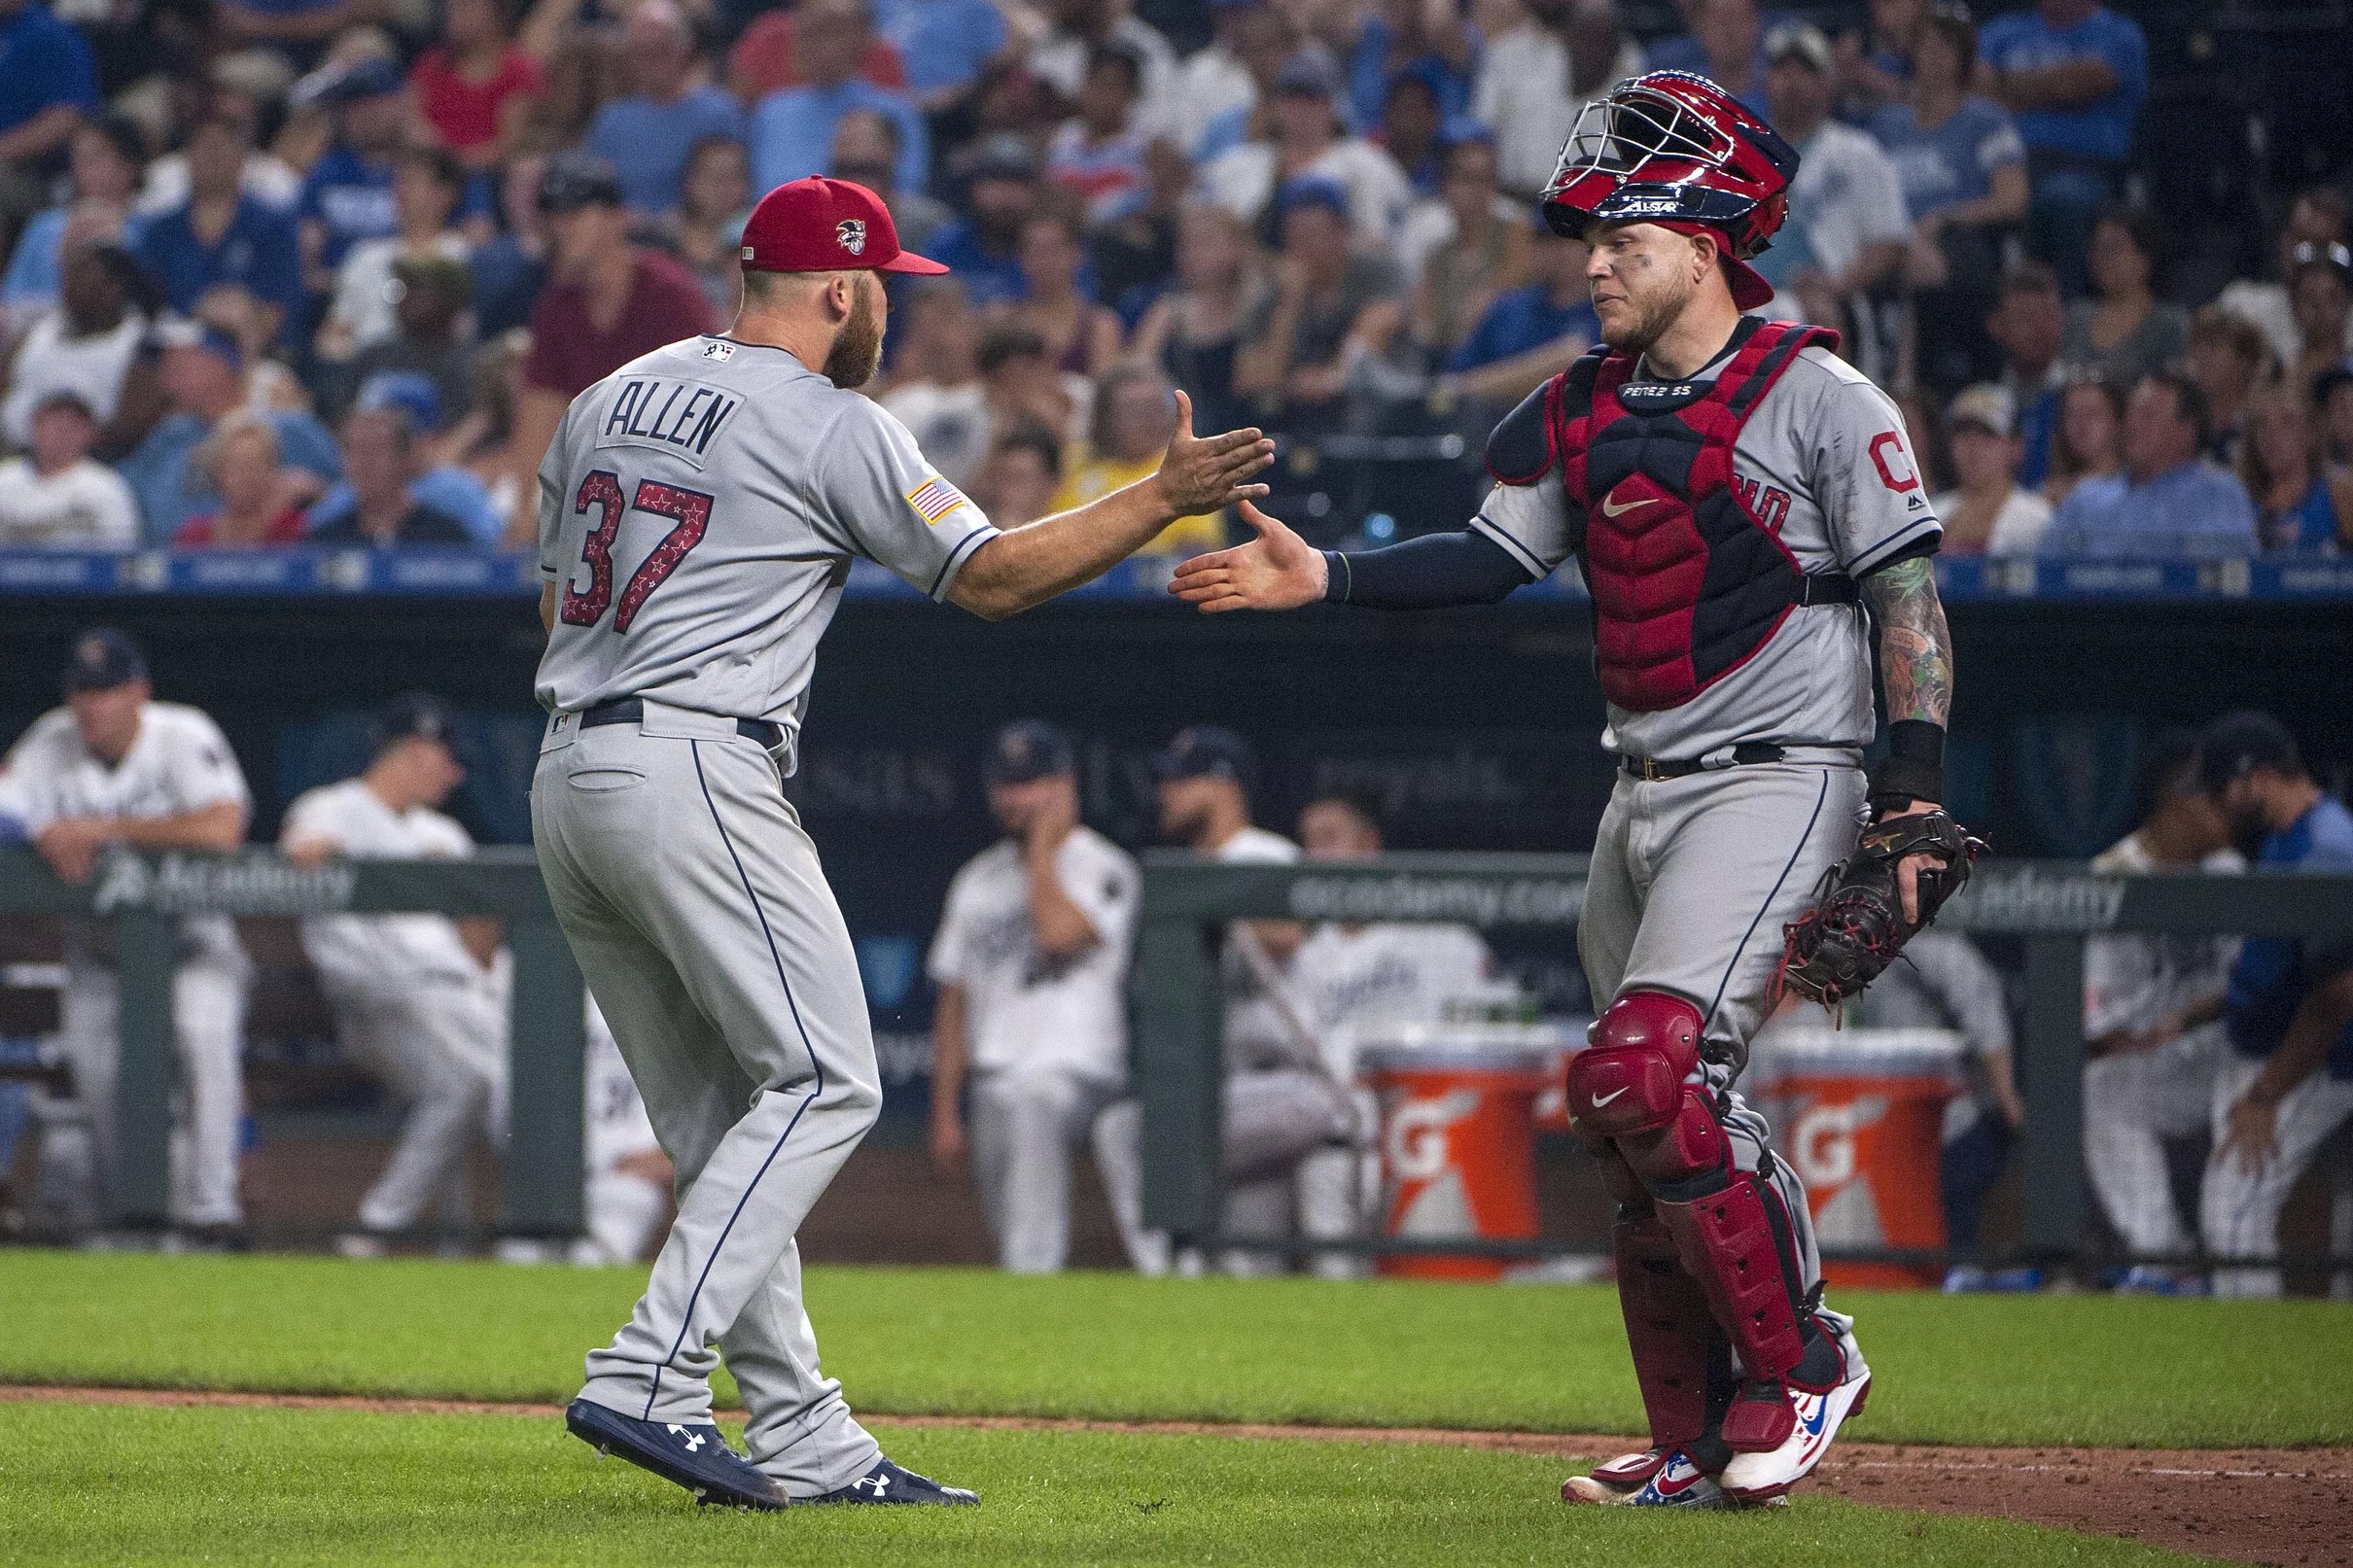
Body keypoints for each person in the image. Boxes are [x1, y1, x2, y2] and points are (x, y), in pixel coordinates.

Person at [1174, 72, 1959, 1508]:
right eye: (1589, 240)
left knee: (1646, 1073)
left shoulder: (1824, 396)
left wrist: (1907, 804)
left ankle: (1804, 1365)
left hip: (1783, 775)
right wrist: (1331, 576)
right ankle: (1686, 1438)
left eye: (1624, 240)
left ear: (1709, 242)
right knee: (1622, 1124)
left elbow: (1910, 597)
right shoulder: (1581, 405)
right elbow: (1490, 551)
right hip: (1640, 786)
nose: (1593, 264)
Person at [531, 174, 1271, 1507]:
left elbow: (549, 598)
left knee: (720, 1119)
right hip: (697, 761)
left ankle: (803, 1430)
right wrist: (1156, 501)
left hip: (571, 768)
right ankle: (650, 1370)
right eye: (884, 287)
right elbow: (988, 578)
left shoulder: (611, 393)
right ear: (837, 289)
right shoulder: (830, 419)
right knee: (827, 1080)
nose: (891, 309)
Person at [5, 629, 250, 1244]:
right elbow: (7, 804)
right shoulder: (51, 738)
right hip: (100, 955)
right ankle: (153, 1218)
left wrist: (99, 830)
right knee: (100, 1083)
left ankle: (212, 1215)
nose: (92, 707)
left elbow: (224, 827)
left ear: (138, 691)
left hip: (193, 944)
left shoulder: (182, 732)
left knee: (203, 1041)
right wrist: (41, 833)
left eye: (108, 692)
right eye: (82, 693)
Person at [1093, 727, 1352, 1277]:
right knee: (1247, 1270)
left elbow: (1287, 931)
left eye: (1179, 780)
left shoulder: (1264, 852)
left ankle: (1165, 1275)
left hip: (1297, 1082)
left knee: (1124, 1132)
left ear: (1223, 786)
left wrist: (1215, 902)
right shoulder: (1185, 870)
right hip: (1233, 1092)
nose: (1165, 792)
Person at [281, 693, 507, 1255]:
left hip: (457, 999)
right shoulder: (331, 808)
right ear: (414, 750)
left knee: (476, 1087)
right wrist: (320, 856)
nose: (454, 774)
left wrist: (460, 901)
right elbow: (301, 854)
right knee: (491, 1083)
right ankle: (545, 1229)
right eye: (446, 758)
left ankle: (417, 1234)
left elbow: (480, 948)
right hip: (377, 1000)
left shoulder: (445, 834)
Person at [927, 720, 1139, 1274]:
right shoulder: (977, 879)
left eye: (1031, 783)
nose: (1015, 798)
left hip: (1078, 1074)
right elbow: (954, 1003)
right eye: (1006, 784)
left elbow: (1055, 934)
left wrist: (1044, 847)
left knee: (1036, 1108)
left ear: (1065, 784)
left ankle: (1035, 1280)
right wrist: (945, 1111)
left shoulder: (1106, 866)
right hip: (997, 1076)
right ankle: (1032, 1302)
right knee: (1010, 1228)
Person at [1286, 787, 1509, 1278]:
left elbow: (1501, 1024)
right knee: (1334, 1294)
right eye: (1308, 842)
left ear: (1369, 844)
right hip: (1331, 1149)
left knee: (1432, 1289)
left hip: (1427, 1148)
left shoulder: (1436, 935)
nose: (1315, 854)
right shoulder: (1300, 954)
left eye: (1330, 838)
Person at [2196, 712, 2353, 1299]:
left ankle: (2248, 1370)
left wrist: (2267, 1094)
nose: (2217, 805)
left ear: (2256, 777)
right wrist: (2187, 1018)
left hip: (2317, 1063)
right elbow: (2279, 974)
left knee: (2233, 1211)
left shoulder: (2327, 848)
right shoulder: (2293, 837)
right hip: (2286, 1052)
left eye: (2222, 790)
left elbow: (2338, 996)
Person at [2080, 730, 2241, 1293]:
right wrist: (2141, 1038)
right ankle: (2160, 1256)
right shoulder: (2112, 876)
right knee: (2103, 1088)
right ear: (2180, 805)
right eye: (2216, 803)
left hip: (2228, 1045)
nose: (2230, 814)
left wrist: (2192, 1019)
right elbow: (2093, 1026)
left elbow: (2257, 980)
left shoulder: (2227, 872)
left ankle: (2170, 1259)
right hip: (2154, 1058)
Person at [507, 156, 714, 545]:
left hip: (674, 479)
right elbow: (539, 410)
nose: (560, 231)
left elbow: (705, 411)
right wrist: (524, 509)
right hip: (594, 483)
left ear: (616, 219)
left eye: (575, 217)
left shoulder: (669, 293)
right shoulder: (557, 307)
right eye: (554, 219)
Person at [1832, 929, 2019, 1290]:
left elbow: (1987, 1022)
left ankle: (1966, 1278)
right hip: (1885, 1113)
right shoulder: (1856, 947)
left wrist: (2007, 1097)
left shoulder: (1941, 948)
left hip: (1952, 1116)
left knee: (1952, 1231)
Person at [1871, 3, 2026, 393]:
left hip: (1961, 246)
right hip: (1893, 243)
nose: (1936, 56)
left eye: (1948, 47)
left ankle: (1917, 382)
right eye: (1928, 45)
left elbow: (2012, 199)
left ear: (1963, 58)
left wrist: (1943, 220)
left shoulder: (1987, 120)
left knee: (1934, 265)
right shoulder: (1887, 125)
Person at [1747, 22, 1908, 351]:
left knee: (1815, 316)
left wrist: (1838, 284)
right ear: (1765, 82)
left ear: (1826, 82)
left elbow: (1890, 243)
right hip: (1749, 297)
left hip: (1825, 298)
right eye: (1781, 71)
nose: (1791, 83)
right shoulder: (1744, 158)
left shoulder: (1857, 151)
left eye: (1804, 71)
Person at [1978, 0, 2147, 296]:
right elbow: (1975, 90)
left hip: (2082, 167)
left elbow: (2086, 82)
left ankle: (2068, 319)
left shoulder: (2119, 33)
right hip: (2001, 165)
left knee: (2062, 199)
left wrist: (2008, 89)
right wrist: (2057, 87)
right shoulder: (2002, 31)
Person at [116, 324, 340, 544]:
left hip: (272, 567)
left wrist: (317, 491)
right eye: (163, 365)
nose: (166, 374)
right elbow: (120, 487)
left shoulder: (289, 428)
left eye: (179, 362)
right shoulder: (171, 434)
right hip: (167, 566)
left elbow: (349, 491)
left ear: (220, 361)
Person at [1231, 177, 1405, 436]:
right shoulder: (1271, 300)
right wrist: (1290, 303)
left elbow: (1374, 333)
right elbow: (1252, 380)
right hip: (1296, 422)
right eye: (1294, 236)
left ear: (1342, 232)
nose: (1303, 247)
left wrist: (1330, 377)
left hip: (1374, 412)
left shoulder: (1375, 273)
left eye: (1314, 234)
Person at [1199, 48, 1412, 251]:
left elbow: (1380, 238)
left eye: (1311, 99)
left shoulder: (1364, 161)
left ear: (1330, 106)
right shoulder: (1239, 163)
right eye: (1292, 98)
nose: (1301, 110)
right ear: (1276, 106)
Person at [2044, 371, 2258, 559]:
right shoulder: (2086, 499)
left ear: (2186, 432)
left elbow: (2218, 582)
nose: (2133, 425)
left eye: (2149, 415)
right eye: (2132, 413)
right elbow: (2048, 580)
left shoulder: (2217, 495)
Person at [132, 111, 303, 342]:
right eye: (204, 148)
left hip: (252, 351)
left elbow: (280, 308)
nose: (213, 158)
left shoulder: (272, 226)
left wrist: (241, 316)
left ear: (241, 157)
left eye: (222, 148)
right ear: (187, 157)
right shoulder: (161, 231)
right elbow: (145, 308)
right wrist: (202, 309)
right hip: (174, 351)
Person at [747, 0, 926, 199]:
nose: (819, 45)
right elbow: (756, 191)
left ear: (863, 38)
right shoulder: (772, 111)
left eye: (833, 33)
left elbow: (908, 191)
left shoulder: (895, 111)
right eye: (809, 33)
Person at [584, 0, 747, 216]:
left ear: (685, 49)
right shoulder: (612, 121)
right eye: (642, 52)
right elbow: (595, 193)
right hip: (624, 235)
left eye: (662, 49)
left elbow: (735, 192)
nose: (653, 60)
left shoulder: (720, 114)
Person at [1472, 0, 1641, 202]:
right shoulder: (1527, 62)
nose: (1589, 50)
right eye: (1582, 39)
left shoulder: (1629, 72)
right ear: (1568, 41)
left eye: (1599, 41)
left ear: (1615, 48)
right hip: (1513, 200)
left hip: (1596, 204)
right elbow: (1480, 133)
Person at [1, 238, 157, 454]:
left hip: (92, 463)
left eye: (83, 274)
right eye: (68, 274)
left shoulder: (139, 345)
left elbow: (131, 426)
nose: (69, 284)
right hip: (12, 456)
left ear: (115, 287)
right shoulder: (34, 333)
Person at [318, 144, 471, 363]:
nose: (400, 191)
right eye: (398, 182)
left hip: (437, 370)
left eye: (412, 181)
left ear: (445, 193)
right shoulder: (364, 256)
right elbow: (335, 330)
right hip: (367, 370)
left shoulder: (462, 256)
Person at [1052, 363, 1220, 555]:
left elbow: (1198, 549)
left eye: (1155, 408)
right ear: (1106, 419)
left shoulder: (1188, 468)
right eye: (1135, 411)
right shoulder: (1076, 468)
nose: (1148, 421)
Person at [1132, 201, 1266, 440]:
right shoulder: (1168, 312)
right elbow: (1137, 371)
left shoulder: (1258, 306)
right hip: (1185, 432)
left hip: (1253, 428)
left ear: (1237, 246)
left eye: (1205, 241)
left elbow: (1253, 381)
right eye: (1186, 244)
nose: (1192, 252)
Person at [1, 113, 144, 331]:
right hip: (38, 337)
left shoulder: (148, 229)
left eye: (96, 157)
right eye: (79, 158)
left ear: (129, 165)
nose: (85, 168)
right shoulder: (44, 226)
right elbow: (11, 299)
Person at [294, 57, 416, 296]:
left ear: (400, 104)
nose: (366, 115)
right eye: (356, 106)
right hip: (338, 295)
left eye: (376, 103)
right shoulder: (325, 173)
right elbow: (307, 258)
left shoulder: (426, 168)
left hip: (413, 295)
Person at [1441, 225, 1599, 407]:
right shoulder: (1509, 308)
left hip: (1571, 423)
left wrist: (1478, 386)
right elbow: (1454, 379)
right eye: (1543, 242)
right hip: (1495, 424)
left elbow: (1575, 358)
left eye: (1565, 243)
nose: (1553, 252)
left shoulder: (1604, 307)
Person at [2215, 187, 2353, 373]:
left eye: (2322, 243)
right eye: (2301, 239)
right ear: (2285, 241)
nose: (2309, 252)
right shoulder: (2243, 306)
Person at [2059, 206, 2187, 397]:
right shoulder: (2075, 317)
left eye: (2113, 249)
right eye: (2097, 248)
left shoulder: (2169, 325)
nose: (2102, 257)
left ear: (2144, 258)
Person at [408, 0, 545, 174]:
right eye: (452, 5)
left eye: (466, 4)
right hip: (434, 176)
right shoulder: (431, 66)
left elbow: (510, 143)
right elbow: (414, 124)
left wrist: (457, 162)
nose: (454, 12)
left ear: (497, 12)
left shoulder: (520, 71)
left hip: (492, 178)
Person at [308, 404, 475, 545]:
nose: (363, 464)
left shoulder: (445, 537)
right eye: (352, 452)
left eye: (374, 451)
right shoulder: (325, 541)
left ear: (406, 457)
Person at [877, 278, 988, 485]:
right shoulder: (898, 406)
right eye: (922, 325)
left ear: (973, 324)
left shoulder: (1002, 397)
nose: (935, 335)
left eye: (944, 320)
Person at [0, 392, 140, 547]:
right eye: (52, 423)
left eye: (72, 425)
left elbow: (121, 552)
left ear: (89, 433)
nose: (61, 433)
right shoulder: (5, 478)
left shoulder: (106, 486)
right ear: (34, 428)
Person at [1927, 384, 2050, 555]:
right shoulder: (1931, 512)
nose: (1973, 446)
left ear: (2016, 447)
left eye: (1987, 435)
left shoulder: (2036, 518)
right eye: (1963, 434)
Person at [1006, 203, 1123, 379]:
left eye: (1054, 250)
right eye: (1036, 251)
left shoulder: (1100, 326)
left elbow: (1102, 394)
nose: (1045, 261)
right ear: (1021, 258)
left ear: (1076, 254)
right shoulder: (1003, 320)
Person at [919, 134, 1036, 308]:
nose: (1006, 197)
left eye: (1017, 184)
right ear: (975, 189)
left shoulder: (1050, 249)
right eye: (995, 183)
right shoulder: (947, 245)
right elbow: (925, 311)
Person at [2240, 383, 2351, 554]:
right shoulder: (2242, 503)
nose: (2272, 434)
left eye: (2286, 422)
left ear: (2311, 434)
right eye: (2263, 425)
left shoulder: (2339, 495)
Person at [172, 412, 312, 546]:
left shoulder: (294, 531)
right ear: (218, 471)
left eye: (256, 465)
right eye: (237, 466)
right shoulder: (193, 537)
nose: (247, 477)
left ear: (274, 469)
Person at [1047, 42, 1150, 225]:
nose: (1103, 97)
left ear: (1132, 94)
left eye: (1114, 88)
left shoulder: (1146, 147)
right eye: (1097, 85)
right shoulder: (1059, 138)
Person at [1984, 260, 2065, 490]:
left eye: (2049, 316)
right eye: (2025, 318)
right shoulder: (1982, 399)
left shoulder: (2080, 398)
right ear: (1997, 325)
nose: (2040, 330)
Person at [665, 134, 752, 322]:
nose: (720, 187)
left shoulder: (759, 241)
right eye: (711, 176)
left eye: (731, 177)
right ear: (689, 181)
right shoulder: (664, 240)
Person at [2184, 306, 2270, 469]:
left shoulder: (2259, 426)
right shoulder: (2183, 426)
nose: (2200, 356)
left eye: (2214, 347)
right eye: (2196, 346)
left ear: (2244, 362)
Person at [2037, 372, 2120, 511]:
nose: (2081, 424)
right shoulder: (2046, 495)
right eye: (2072, 414)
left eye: (2093, 414)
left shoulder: (2135, 489)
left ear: (2117, 422)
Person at [2284, 241, 2353, 406]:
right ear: (2294, 305)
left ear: (2348, 301)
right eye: (2309, 298)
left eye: (2331, 298)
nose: (2319, 308)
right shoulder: (2278, 374)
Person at [968, 424, 1063, 529]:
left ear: (1051, 484)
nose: (1008, 490)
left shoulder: (1069, 537)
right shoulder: (969, 531)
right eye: (1002, 477)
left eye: (1020, 479)